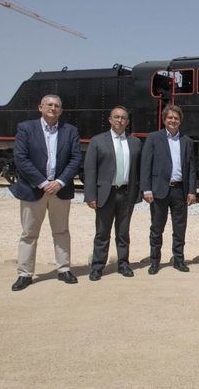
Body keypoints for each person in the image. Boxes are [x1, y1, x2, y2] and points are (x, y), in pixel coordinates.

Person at [8, 95, 82, 291]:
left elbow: (75, 159)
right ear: (40, 107)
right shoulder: (26, 128)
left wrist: (59, 181)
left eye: (57, 105)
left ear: (61, 110)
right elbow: (21, 158)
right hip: (33, 189)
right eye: (49, 105)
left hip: (60, 189)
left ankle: (64, 269)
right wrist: (42, 183)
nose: (53, 108)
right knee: (29, 233)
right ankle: (24, 274)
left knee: (61, 231)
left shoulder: (70, 131)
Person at [83, 106, 142, 281]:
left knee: (123, 233)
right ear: (110, 119)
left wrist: (138, 192)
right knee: (102, 232)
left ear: (127, 122)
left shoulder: (135, 142)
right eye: (116, 117)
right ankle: (98, 267)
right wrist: (90, 195)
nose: (119, 120)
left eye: (123, 118)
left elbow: (138, 170)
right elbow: (90, 170)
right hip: (105, 194)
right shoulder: (97, 141)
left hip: (126, 194)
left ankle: (123, 264)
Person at [141, 105, 196, 274]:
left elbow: (191, 168)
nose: (173, 120)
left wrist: (192, 191)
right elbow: (146, 165)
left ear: (180, 120)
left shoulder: (187, 141)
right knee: (157, 228)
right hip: (159, 190)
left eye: (176, 118)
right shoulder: (153, 138)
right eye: (170, 118)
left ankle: (179, 260)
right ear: (164, 119)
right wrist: (146, 189)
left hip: (180, 190)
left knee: (180, 228)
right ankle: (155, 261)